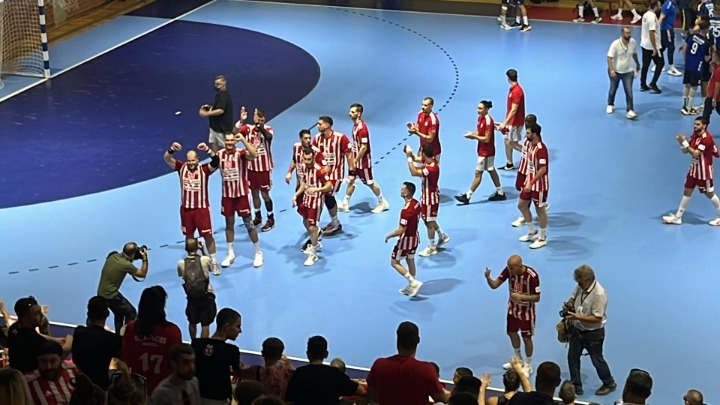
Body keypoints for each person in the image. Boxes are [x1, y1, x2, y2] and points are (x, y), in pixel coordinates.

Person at [164, 140, 221, 274]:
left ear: (197, 160)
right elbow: (167, 158)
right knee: (189, 237)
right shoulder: (181, 168)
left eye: (193, 160)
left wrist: (208, 149)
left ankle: (213, 261)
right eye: (188, 161)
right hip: (186, 210)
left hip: (201, 209)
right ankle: (192, 261)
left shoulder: (204, 170)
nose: (190, 163)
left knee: (208, 236)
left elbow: (216, 162)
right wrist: (172, 148)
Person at [563, 265, 616, 396]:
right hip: (578, 330)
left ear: (588, 280)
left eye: (580, 282)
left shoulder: (599, 294)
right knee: (572, 358)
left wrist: (576, 317)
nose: (578, 285)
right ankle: (576, 385)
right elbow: (573, 297)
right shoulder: (581, 286)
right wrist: (569, 304)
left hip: (593, 334)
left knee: (597, 360)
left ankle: (609, 383)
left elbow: (597, 318)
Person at [366, 321, 448, 404]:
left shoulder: (379, 365)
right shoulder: (426, 370)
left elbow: (371, 396)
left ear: (398, 340)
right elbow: (443, 400)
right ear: (418, 341)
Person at [485, 255, 540, 376]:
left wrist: (521, 297)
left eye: (512, 268)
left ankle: (528, 365)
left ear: (520, 266)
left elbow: (537, 298)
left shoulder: (532, 276)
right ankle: (518, 360)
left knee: (526, 338)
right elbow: (495, 285)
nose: (509, 270)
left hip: (526, 313)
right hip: (512, 310)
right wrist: (488, 278)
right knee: (511, 333)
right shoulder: (509, 270)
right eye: (508, 267)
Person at [120, 285, 182, 394]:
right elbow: (178, 364)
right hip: (163, 392)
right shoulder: (172, 331)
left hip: (137, 390)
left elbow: (124, 358)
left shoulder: (131, 328)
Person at [217, 131, 263, 268]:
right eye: (227, 140)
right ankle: (230, 253)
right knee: (229, 224)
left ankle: (258, 252)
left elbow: (254, 154)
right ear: (224, 141)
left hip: (241, 195)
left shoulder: (240, 153)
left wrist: (243, 139)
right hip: (227, 196)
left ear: (235, 141)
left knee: (249, 224)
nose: (229, 143)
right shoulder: (220, 154)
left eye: (232, 140)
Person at [663, 117, 720, 224]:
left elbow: (695, 153)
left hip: (704, 172)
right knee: (687, 191)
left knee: (709, 193)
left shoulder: (706, 139)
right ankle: (678, 217)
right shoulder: (695, 136)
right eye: (694, 124)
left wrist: (684, 142)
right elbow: (686, 151)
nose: (695, 126)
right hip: (693, 170)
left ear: (704, 126)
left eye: (698, 124)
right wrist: (682, 143)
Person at [340, 103, 389, 214]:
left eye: (352, 112)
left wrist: (355, 160)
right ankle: (345, 203)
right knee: (352, 180)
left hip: (363, 162)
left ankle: (383, 202)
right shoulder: (355, 126)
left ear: (358, 113)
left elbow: (364, 147)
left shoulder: (362, 129)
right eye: (350, 111)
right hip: (357, 160)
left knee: (369, 182)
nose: (349, 113)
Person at [286, 336, 363, 405]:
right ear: (326, 354)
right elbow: (360, 390)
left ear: (307, 354)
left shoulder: (299, 373)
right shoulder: (335, 374)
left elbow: (289, 397)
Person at [455, 100, 506, 204]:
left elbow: (486, 139)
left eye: (480, 108)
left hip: (486, 152)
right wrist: (472, 135)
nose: (478, 110)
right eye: (478, 108)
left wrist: (473, 136)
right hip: (484, 150)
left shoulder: (488, 121)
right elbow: (479, 133)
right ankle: (500, 192)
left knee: (478, 174)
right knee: (491, 170)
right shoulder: (480, 118)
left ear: (486, 109)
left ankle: (467, 196)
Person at [236, 107, 276, 232]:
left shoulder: (268, 129)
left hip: (264, 168)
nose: (260, 122)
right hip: (251, 167)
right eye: (258, 120)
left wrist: (261, 127)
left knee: (265, 194)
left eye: (262, 120)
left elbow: (268, 137)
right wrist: (240, 121)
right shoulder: (248, 129)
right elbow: (234, 132)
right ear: (254, 118)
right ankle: (258, 216)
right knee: (254, 193)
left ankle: (271, 218)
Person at [405, 144, 450, 257]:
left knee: (428, 222)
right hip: (429, 196)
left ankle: (432, 247)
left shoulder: (430, 169)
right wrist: (409, 153)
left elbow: (413, 172)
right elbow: (416, 159)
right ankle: (442, 236)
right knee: (430, 219)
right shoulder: (431, 161)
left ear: (423, 153)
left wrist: (409, 158)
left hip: (430, 199)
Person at [312, 116, 354, 235]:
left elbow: (349, 155)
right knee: (322, 196)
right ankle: (330, 221)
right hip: (321, 174)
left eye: (320, 124)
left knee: (328, 195)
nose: (318, 126)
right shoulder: (317, 138)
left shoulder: (341, 138)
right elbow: (313, 155)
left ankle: (335, 223)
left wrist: (351, 172)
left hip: (335, 174)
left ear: (327, 125)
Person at [293, 146, 334, 266]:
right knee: (305, 222)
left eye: (309, 159)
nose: (307, 162)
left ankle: (313, 254)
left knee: (312, 227)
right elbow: (304, 183)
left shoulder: (319, 170)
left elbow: (329, 186)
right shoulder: (305, 168)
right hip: (306, 199)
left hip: (316, 202)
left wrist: (317, 189)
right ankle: (316, 242)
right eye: (305, 159)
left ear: (313, 158)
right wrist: (296, 195)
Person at [8, 296, 72, 373]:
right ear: (26, 318)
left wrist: (54, 340)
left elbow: (36, 335)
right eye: (37, 314)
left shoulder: (14, 328)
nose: (42, 315)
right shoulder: (35, 340)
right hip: (29, 377)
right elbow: (64, 351)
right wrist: (70, 338)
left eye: (40, 312)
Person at [191, 308, 242, 404]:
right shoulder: (231, 351)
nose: (240, 331)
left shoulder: (196, 344)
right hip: (219, 399)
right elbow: (238, 371)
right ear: (227, 326)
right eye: (238, 326)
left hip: (196, 396)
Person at [72, 296, 122, 390]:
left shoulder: (79, 332)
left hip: (79, 387)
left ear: (88, 314)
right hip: (101, 388)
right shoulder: (113, 339)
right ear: (107, 314)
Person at [97, 242, 148, 332]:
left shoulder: (113, 255)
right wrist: (144, 258)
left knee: (119, 313)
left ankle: (118, 334)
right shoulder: (126, 265)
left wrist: (132, 257)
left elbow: (123, 260)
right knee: (131, 312)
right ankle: (127, 334)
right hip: (111, 295)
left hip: (102, 292)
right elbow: (142, 273)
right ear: (133, 253)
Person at [384, 182, 424, 297]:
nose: (400, 190)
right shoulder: (417, 204)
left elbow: (401, 230)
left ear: (407, 193)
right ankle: (412, 286)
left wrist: (389, 235)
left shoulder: (406, 211)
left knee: (394, 262)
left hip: (405, 241)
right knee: (410, 260)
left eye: (402, 189)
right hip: (415, 238)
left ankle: (413, 283)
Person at [517, 124, 549, 249]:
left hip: (539, 186)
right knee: (521, 205)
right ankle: (532, 231)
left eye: (528, 133)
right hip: (529, 182)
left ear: (535, 134)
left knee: (540, 210)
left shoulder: (541, 149)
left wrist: (531, 182)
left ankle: (542, 238)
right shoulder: (530, 145)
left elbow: (543, 169)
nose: (526, 135)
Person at [178, 238, 217, 339]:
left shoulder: (181, 263)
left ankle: (193, 342)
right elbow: (211, 268)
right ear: (197, 247)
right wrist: (203, 250)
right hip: (206, 295)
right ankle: (202, 345)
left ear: (185, 248)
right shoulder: (205, 259)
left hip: (192, 297)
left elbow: (181, 275)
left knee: (192, 322)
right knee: (205, 325)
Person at [25, 340, 81, 405]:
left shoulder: (74, 371)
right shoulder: (28, 383)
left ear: (61, 359)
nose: (48, 367)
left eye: (53, 361)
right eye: (43, 361)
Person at [607, 27, 641, 119]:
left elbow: (634, 53)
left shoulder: (633, 42)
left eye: (630, 33)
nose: (629, 35)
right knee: (613, 89)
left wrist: (637, 63)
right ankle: (610, 104)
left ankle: (630, 110)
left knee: (629, 91)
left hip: (628, 72)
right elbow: (609, 58)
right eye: (627, 33)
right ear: (622, 33)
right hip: (615, 71)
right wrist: (611, 70)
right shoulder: (615, 44)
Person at [680, 20, 711, 115]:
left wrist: (686, 61)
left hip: (688, 64)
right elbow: (706, 59)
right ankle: (689, 108)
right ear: (706, 29)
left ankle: (684, 106)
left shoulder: (691, 36)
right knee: (694, 86)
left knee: (687, 84)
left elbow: (684, 48)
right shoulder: (706, 43)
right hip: (697, 67)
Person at [497, 69, 526, 170]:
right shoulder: (513, 89)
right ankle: (509, 164)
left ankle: (530, 154)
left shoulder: (516, 92)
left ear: (508, 78)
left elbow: (514, 110)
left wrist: (504, 123)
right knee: (506, 140)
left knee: (511, 143)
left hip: (515, 122)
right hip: (511, 121)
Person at [199, 75, 233, 153]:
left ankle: (224, 159)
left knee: (223, 146)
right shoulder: (219, 94)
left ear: (224, 83)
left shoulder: (224, 96)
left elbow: (220, 110)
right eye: (215, 84)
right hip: (214, 126)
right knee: (214, 142)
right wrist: (210, 107)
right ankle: (215, 158)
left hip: (222, 128)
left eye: (218, 84)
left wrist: (206, 113)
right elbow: (217, 106)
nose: (216, 86)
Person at [407, 97, 442, 162]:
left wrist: (416, 133)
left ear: (431, 106)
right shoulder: (420, 114)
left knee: (430, 169)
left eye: (425, 105)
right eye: (422, 104)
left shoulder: (433, 120)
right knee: (415, 167)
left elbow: (430, 139)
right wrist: (414, 128)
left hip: (433, 152)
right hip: (422, 149)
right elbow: (418, 128)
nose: (422, 107)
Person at [640, 1, 664, 93]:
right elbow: (651, 32)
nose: (660, 7)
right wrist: (654, 48)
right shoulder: (652, 17)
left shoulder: (645, 15)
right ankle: (653, 83)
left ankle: (643, 84)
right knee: (660, 63)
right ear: (656, 7)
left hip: (644, 44)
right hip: (652, 46)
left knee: (645, 65)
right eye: (659, 6)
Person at [659, 0, 683, 76]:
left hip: (669, 29)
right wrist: (656, 28)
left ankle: (659, 64)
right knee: (671, 47)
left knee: (662, 47)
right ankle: (671, 68)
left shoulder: (673, 4)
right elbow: (662, 16)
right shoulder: (668, 4)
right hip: (667, 29)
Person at [702, 50, 720, 121]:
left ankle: (703, 126)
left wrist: (714, 99)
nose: (711, 57)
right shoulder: (717, 67)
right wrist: (712, 67)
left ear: (716, 57)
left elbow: (717, 85)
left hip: (714, 96)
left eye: (713, 56)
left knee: (705, 116)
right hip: (713, 95)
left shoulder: (718, 70)